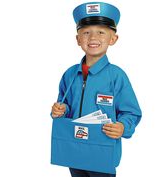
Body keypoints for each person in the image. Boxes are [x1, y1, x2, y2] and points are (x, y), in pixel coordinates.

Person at [51, 2, 142, 177]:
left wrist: (123, 127)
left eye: (101, 32)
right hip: (74, 151)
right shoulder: (69, 75)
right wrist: (60, 110)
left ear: (113, 39)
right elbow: (65, 106)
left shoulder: (116, 76)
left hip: (102, 154)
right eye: (86, 32)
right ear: (78, 39)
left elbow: (131, 112)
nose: (93, 38)